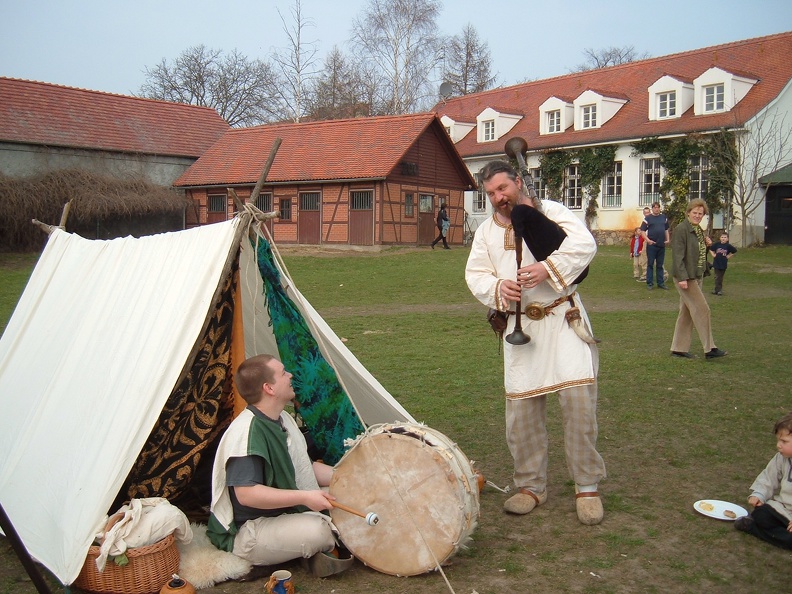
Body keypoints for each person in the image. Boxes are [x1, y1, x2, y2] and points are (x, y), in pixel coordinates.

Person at [465, 160, 606, 526]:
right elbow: (475, 273)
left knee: (579, 407)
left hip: (562, 321)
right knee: (522, 416)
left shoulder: (553, 212)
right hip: (520, 328)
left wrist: (547, 267)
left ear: (518, 182)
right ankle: (530, 486)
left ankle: (587, 486)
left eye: (502, 188)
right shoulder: (486, 232)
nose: (498, 197)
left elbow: (584, 246)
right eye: (491, 193)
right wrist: (499, 288)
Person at [207, 354, 351, 576]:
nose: (290, 375)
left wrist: (347, 479)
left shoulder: (282, 418)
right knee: (319, 530)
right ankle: (306, 549)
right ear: (269, 388)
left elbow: (303, 466)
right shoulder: (247, 432)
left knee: (347, 496)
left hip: (283, 513)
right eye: (283, 373)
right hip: (250, 530)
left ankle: (302, 548)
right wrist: (304, 497)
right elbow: (247, 494)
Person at [669, 199, 727, 360]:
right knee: (702, 309)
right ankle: (710, 349)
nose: (697, 216)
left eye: (700, 213)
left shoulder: (698, 229)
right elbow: (678, 255)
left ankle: (678, 348)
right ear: (688, 212)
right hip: (686, 277)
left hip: (696, 274)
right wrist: (682, 278)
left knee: (687, 312)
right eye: (694, 213)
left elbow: (697, 252)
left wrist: (707, 245)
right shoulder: (682, 229)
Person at [734, 411, 792, 550]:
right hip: (783, 509)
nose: (778, 445)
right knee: (760, 514)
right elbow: (769, 476)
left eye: (784, 441)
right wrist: (759, 494)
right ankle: (769, 530)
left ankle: (754, 529)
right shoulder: (781, 458)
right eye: (778, 440)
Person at [641, 202, 670, 290]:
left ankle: (660, 283)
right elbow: (642, 231)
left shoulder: (663, 217)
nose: (656, 209)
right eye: (655, 207)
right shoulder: (648, 218)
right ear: (652, 209)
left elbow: (666, 229)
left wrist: (668, 239)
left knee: (660, 265)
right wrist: (648, 240)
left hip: (661, 245)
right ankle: (650, 283)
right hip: (652, 245)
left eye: (658, 207)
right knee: (650, 264)